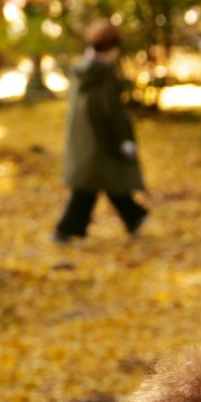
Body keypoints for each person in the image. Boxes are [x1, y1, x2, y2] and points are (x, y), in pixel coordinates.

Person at [53, 19, 148, 243]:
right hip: (100, 141)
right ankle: (66, 230)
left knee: (99, 182)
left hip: (86, 141)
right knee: (92, 185)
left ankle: (134, 216)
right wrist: (123, 140)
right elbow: (111, 112)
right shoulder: (101, 74)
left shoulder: (82, 70)